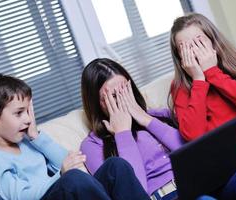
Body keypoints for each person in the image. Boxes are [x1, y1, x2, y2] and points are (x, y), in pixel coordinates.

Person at [0, 74, 149, 200]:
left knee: (115, 166)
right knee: (72, 179)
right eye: (19, 113)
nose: (28, 119)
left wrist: (35, 136)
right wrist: (61, 175)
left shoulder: (28, 142)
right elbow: (21, 196)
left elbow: (70, 162)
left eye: (28, 111)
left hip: (61, 192)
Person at [80, 58, 186, 200]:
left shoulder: (158, 115)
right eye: (113, 96)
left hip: (198, 181)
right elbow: (135, 190)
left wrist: (146, 119)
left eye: (125, 89)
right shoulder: (92, 145)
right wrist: (123, 133)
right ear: (96, 103)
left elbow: (194, 154)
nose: (122, 99)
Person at [168, 13, 236, 199]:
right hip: (226, 176)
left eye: (199, 42)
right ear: (180, 57)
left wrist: (213, 72)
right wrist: (198, 80)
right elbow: (193, 135)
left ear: (213, 41)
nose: (194, 50)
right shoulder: (181, 88)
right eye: (185, 47)